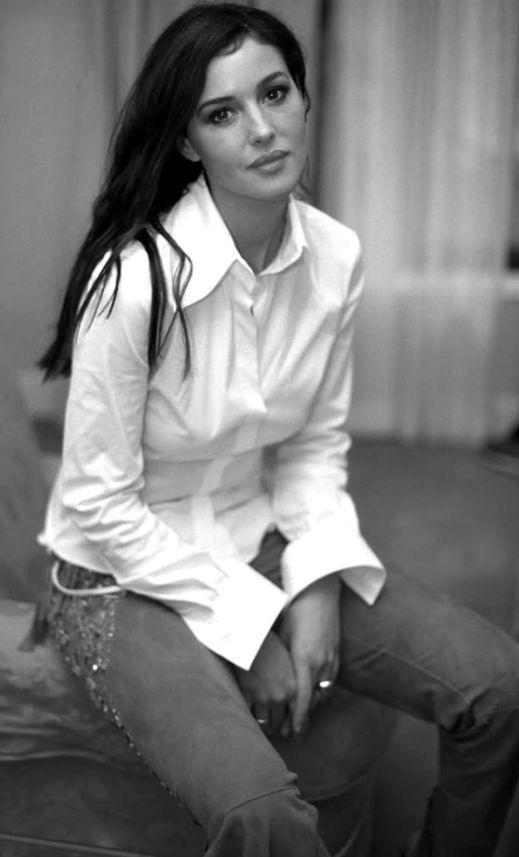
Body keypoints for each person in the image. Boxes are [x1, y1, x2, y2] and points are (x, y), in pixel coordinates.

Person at [37, 3, 519, 856]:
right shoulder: (134, 281)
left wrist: (319, 580)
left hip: (250, 529)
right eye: (222, 113)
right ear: (188, 142)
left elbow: (311, 445)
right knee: (262, 815)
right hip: (114, 576)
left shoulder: (335, 255)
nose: (261, 129)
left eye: (274, 93)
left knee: (499, 687)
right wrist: (253, 626)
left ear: (303, 97)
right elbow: (98, 507)